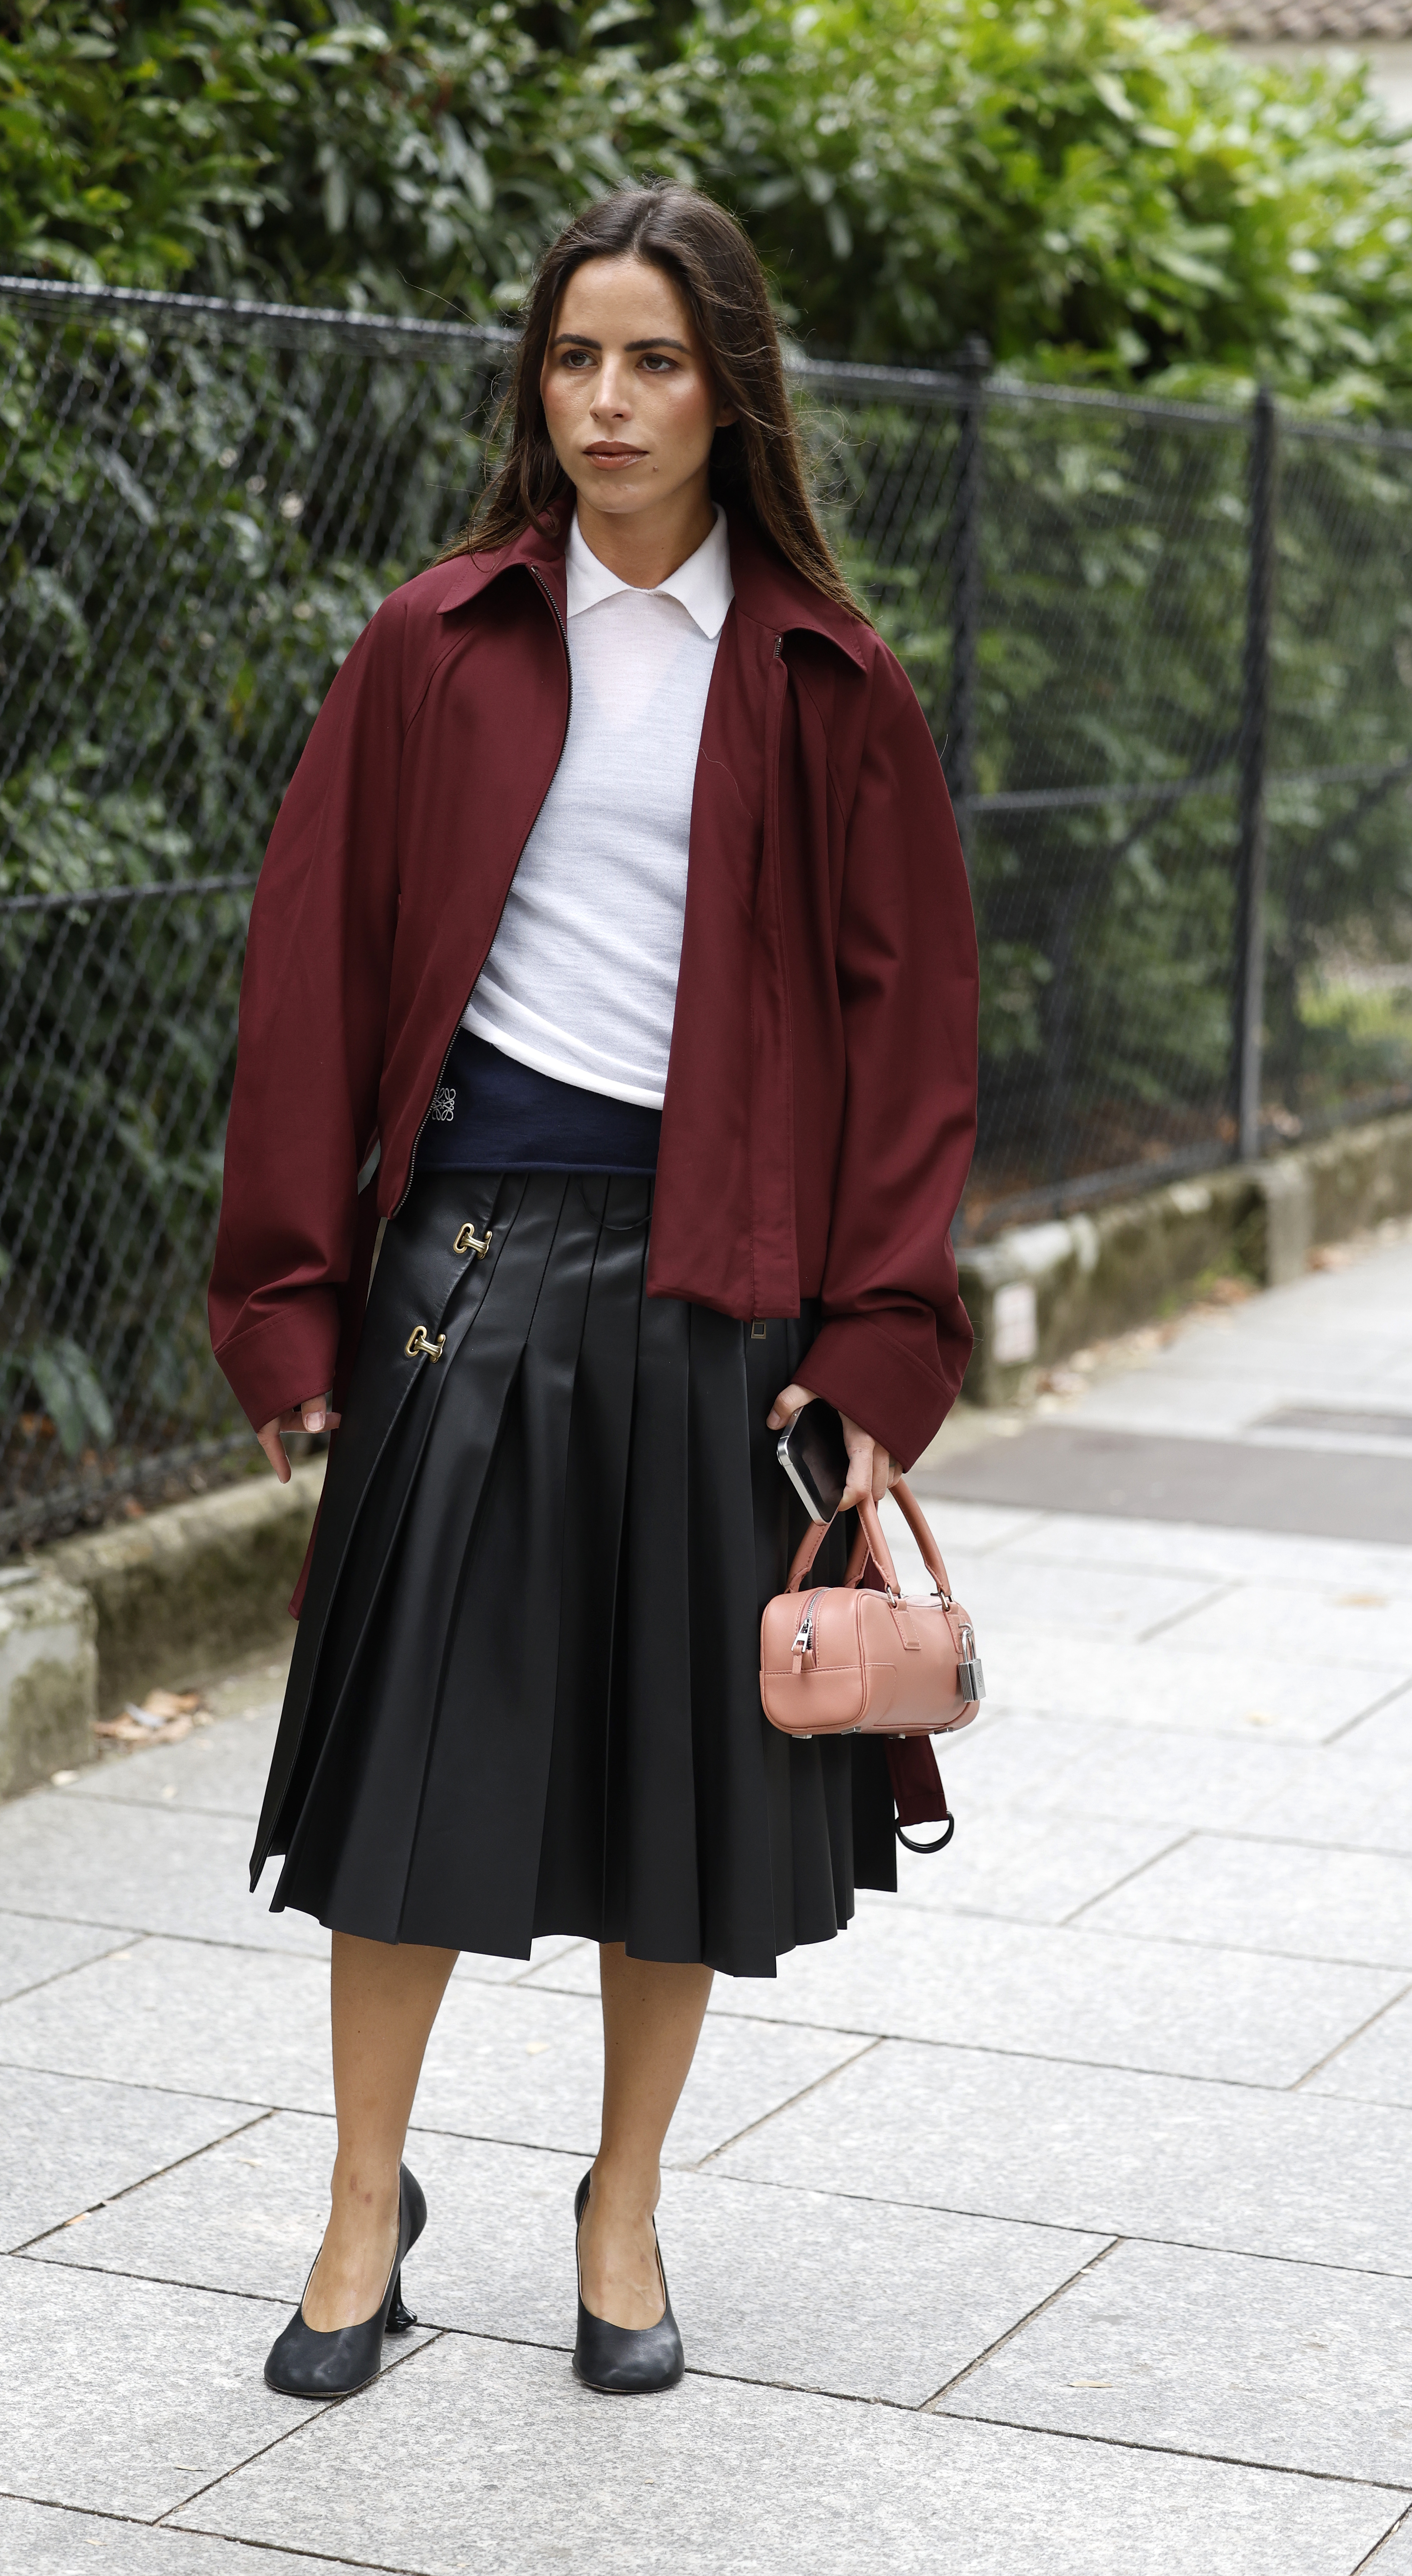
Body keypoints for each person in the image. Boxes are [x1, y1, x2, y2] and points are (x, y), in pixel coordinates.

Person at [209, 181, 978, 2401]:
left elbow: (910, 1035)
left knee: (678, 1792)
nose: (610, 402)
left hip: (728, 1294)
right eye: (573, 360)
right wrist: (289, 1304)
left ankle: (619, 2210)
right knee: (401, 1785)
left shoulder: (827, 681)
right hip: (462, 1269)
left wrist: (871, 1350)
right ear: (532, 387)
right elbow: (310, 979)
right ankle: (363, 2204)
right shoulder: (434, 643)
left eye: (652, 361)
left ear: (727, 388)